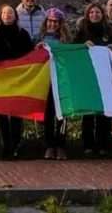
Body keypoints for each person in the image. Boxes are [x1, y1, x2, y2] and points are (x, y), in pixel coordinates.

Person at [0, 4, 33, 158]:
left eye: (10, 13)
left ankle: (16, 143)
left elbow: (30, 55)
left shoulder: (23, 34)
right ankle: (6, 144)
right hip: (0, 78)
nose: (7, 15)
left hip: (17, 78)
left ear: (15, 16)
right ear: (0, 16)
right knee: (2, 112)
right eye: (4, 13)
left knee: (16, 111)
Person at [74, 3, 112, 156]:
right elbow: (73, 48)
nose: (94, 14)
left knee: (104, 112)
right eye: (91, 12)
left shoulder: (110, 31)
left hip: (105, 76)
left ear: (102, 14)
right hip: (88, 76)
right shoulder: (81, 32)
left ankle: (103, 145)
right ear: (87, 15)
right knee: (88, 112)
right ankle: (87, 145)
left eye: (97, 12)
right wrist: (82, 45)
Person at [39, 8, 70, 159]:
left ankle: (61, 145)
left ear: (60, 24)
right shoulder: (39, 38)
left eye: (55, 22)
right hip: (46, 81)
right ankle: (49, 145)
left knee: (62, 115)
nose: (52, 24)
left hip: (62, 81)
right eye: (50, 21)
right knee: (48, 113)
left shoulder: (66, 39)